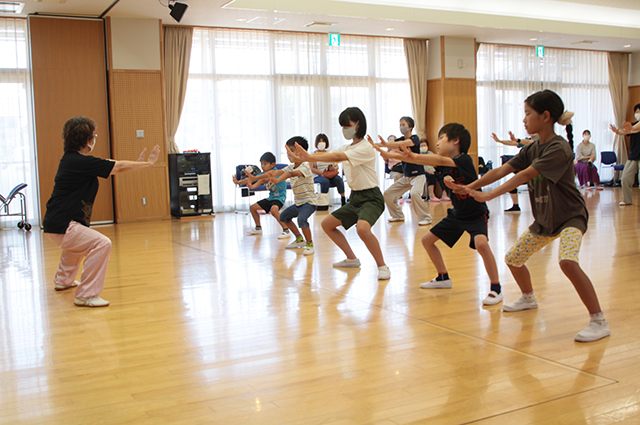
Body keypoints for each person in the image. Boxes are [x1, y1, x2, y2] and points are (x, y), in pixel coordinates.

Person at [453, 90, 610, 342]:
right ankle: (528, 298)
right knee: (513, 258)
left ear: (546, 116)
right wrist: (471, 187)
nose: (524, 119)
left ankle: (599, 320)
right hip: (546, 218)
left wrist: (488, 196)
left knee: (567, 261)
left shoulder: (558, 148)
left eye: (528, 114)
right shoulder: (533, 147)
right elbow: (504, 169)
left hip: (570, 216)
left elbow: (524, 176)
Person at [373, 123, 502, 305]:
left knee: (481, 243)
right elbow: (424, 161)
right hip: (457, 213)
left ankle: (496, 288)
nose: (438, 143)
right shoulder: (443, 165)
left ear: (456, 141)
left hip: (475, 213)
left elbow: (437, 160)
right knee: (427, 240)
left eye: (441, 138)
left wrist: (413, 155)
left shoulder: (463, 160)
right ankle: (443, 277)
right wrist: (390, 155)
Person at [43, 116, 160, 308]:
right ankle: (86, 295)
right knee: (101, 243)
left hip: (57, 224)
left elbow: (109, 163)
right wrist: (148, 164)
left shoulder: (73, 160)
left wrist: (137, 163)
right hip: (62, 225)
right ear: (88, 140)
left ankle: (63, 280)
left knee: (77, 244)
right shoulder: (80, 162)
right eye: (94, 136)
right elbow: (118, 166)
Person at [289, 106, 390, 280]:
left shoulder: (365, 148)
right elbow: (332, 154)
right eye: (342, 127)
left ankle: (382, 266)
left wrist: (310, 158)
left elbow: (337, 158)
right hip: (356, 197)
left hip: (371, 198)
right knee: (327, 224)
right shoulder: (348, 147)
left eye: (346, 126)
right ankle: (352, 258)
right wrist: (307, 157)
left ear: (358, 125)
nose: (344, 130)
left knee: (363, 229)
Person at [262, 136, 318, 256]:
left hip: (309, 203)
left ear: (301, 151)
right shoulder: (292, 166)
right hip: (299, 203)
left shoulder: (305, 167)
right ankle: (299, 239)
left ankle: (310, 244)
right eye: (288, 152)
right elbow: (278, 172)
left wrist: (277, 180)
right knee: (283, 217)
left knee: (301, 219)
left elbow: (290, 174)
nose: (289, 154)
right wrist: (263, 176)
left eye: (292, 151)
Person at [375, 116, 432, 226]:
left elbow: (398, 144)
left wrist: (387, 144)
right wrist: (373, 145)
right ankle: (397, 215)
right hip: (407, 177)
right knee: (388, 194)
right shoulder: (400, 140)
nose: (401, 127)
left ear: (410, 127)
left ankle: (426, 217)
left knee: (415, 194)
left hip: (418, 176)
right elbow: (391, 144)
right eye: (400, 125)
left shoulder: (415, 138)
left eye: (403, 125)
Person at [232, 152, 289, 238]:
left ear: (272, 164)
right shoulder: (263, 175)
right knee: (252, 208)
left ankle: (286, 230)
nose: (262, 166)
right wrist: (239, 182)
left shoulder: (276, 172)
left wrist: (256, 180)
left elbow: (261, 179)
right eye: (261, 164)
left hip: (280, 198)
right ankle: (258, 228)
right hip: (271, 198)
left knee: (274, 211)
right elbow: (252, 180)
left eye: (265, 164)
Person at [491, 132, 535, 213]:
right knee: (512, 184)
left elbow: (530, 142)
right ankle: (515, 206)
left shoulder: (542, 140)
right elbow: (514, 143)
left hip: (537, 170)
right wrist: (500, 141)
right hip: (527, 170)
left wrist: (517, 139)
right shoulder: (528, 140)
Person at [610, 103, 640, 205]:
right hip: (634, 156)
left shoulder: (636, 126)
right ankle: (627, 200)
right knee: (625, 178)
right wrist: (618, 131)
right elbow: (628, 131)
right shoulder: (634, 124)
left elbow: (634, 130)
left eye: (639, 112)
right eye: (636, 112)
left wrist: (627, 130)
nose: (638, 113)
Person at [311, 133, 346, 210]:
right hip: (318, 175)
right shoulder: (313, 155)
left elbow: (336, 165)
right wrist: (322, 172)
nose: (321, 143)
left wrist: (333, 168)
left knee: (339, 179)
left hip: (330, 174)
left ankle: (343, 200)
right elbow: (311, 168)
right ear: (316, 143)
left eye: (323, 141)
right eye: (319, 141)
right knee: (325, 181)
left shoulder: (330, 153)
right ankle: (323, 203)